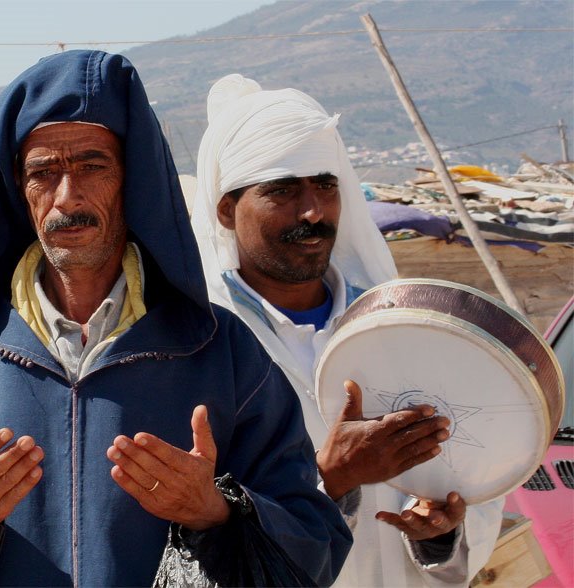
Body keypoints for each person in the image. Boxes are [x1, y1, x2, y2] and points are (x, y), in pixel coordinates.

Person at [0, 52, 352, 587]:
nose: (68, 197)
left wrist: (215, 512)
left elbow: (313, 547)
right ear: (19, 192)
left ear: (133, 184)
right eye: (43, 173)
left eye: (92, 167)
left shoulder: (219, 349)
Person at [190, 74, 504, 587]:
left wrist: (440, 531)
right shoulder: (198, 347)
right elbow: (196, 528)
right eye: (284, 191)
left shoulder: (400, 326)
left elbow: (471, 478)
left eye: (325, 185)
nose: (313, 211)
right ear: (227, 209)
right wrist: (331, 480)